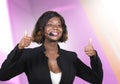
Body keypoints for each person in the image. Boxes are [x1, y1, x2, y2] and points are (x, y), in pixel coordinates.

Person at [0, 11, 103, 84]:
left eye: (59, 25)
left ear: (62, 30)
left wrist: (93, 57)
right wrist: (19, 48)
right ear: (41, 30)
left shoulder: (71, 57)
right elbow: (3, 76)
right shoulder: (29, 55)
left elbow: (96, 80)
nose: (55, 28)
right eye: (50, 24)